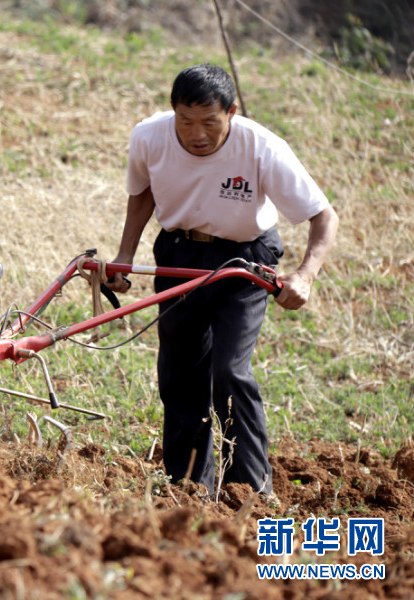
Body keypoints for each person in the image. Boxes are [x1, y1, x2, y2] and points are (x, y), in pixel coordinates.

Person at [106, 64, 339, 495]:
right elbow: (142, 193)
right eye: (186, 121)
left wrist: (305, 275)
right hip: (178, 253)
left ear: (231, 112)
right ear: (172, 111)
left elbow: (323, 216)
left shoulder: (261, 147)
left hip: (244, 260)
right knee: (179, 374)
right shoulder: (149, 136)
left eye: (209, 122)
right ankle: (188, 486)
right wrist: (125, 254)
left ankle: (249, 490)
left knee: (230, 371)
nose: (196, 134)